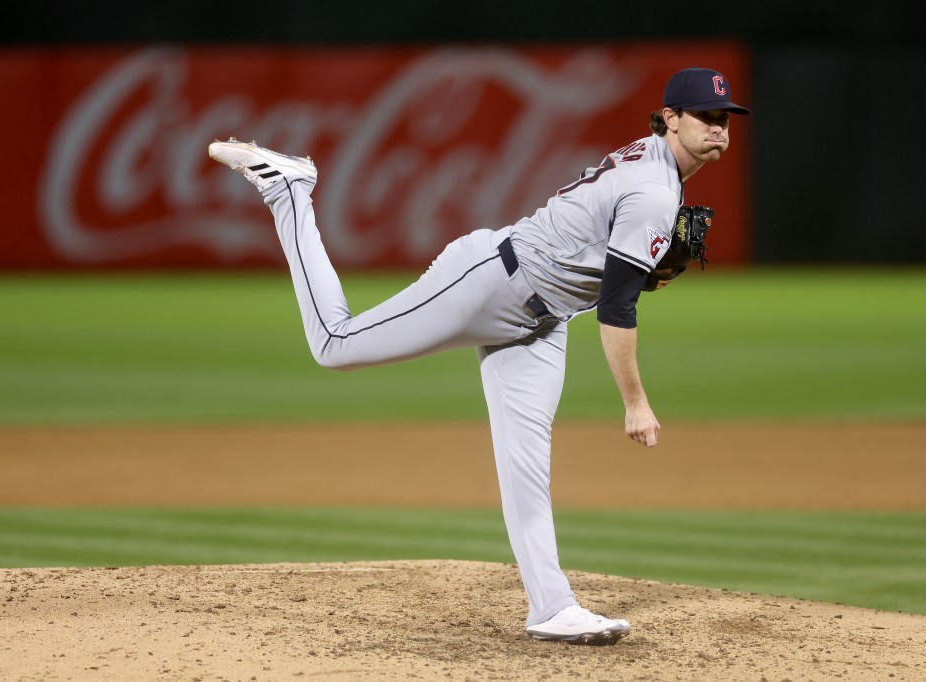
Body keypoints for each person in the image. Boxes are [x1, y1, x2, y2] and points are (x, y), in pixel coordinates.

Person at [208, 66, 749, 645]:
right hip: (489, 282)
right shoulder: (656, 192)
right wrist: (635, 402)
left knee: (527, 466)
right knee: (334, 344)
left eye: (724, 118)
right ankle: (288, 192)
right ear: (670, 119)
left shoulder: (657, 164)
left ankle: (551, 607)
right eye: (705, 116)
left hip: (540, 321)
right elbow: (617, 309)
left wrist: (634, 267)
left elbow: (602, 249)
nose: (718, 128)